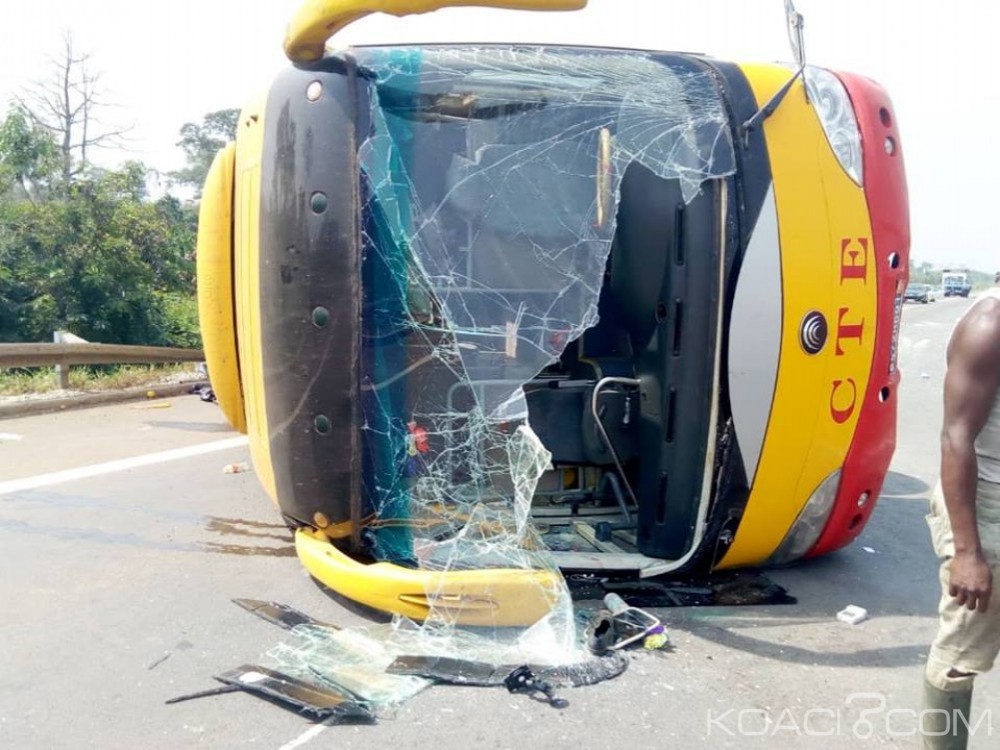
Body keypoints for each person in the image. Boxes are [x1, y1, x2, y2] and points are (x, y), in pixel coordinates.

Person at [922, 274, 1000, 748]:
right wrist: (968, 552)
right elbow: (956, 437)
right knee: (961, 654)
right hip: (987, 507)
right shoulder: (990, 324)